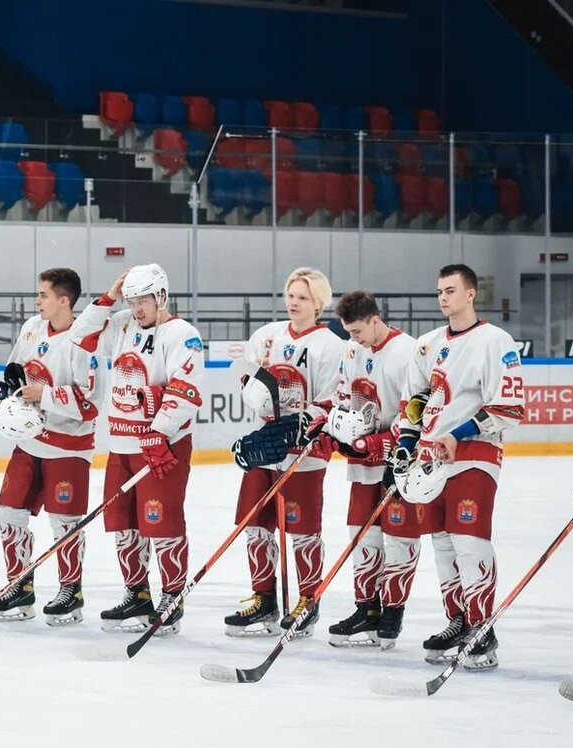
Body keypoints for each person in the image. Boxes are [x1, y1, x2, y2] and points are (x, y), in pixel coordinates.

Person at [393, 263, 525, 670]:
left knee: (469, 541)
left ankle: (482, 628)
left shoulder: (495, 341)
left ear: (471, 294)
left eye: (451, 290)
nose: (443, 297)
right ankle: (458, 619)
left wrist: (461, 431)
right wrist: (406, 443)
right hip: (430, 461)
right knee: (443, 544)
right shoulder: (427, 344)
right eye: (439, 291)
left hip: (475, 454)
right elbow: (415, 401)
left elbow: (510, 407)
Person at [69, 263, 204, 635]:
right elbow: (80, 336)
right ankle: (137, 594)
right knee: (123, 525)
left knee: (163, 525)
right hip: (121, 445)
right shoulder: (123, 324)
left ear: (161, 295)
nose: (136, 308)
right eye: (131, 300)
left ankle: (172, 597)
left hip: (163, 447)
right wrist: (109, 298)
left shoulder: (182, 334)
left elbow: (186, 390)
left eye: (142, 300)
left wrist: (159, 432)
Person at [226, 268, 344, 638]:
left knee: (303, 531)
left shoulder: (331, 346)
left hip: (304, 451)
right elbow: (248, 386)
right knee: (255, 526)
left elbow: (332, 399)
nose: (294, 302)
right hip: (266, 446)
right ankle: (264, 601)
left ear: (319, 303)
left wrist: (301, 423)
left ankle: (308, 602)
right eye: (291, 295)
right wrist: (254, 379)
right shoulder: (266, 336)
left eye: (303, 298)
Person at [0, 267, 103, 625]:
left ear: (63, 301)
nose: (37, 301)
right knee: (7, 512)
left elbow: (91, 403)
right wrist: (0, 392)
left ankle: (71, 591)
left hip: (69, 446)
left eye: (44, 295)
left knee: (64, 523)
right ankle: (19, 588)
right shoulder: (33, 328)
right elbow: (15, 368)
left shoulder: (85, 341)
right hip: (30, 439)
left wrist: (46, 395)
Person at [324, 290, 420, 649]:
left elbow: (416, 409)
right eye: (349, 332)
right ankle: (366, 609)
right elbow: (342, 396)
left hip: (400, 459)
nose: (354, 339)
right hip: (363, 461)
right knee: (361, 534)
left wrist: (384, 442)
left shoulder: (408, 351)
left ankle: (393, 612)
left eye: (358, 331)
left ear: (375, 320)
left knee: (399, 538)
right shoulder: (352, 351)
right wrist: (339, 429)